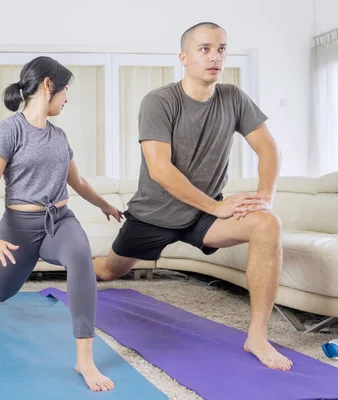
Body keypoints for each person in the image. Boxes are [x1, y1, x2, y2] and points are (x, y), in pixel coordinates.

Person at [93, 22, 294, 371]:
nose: (215, 56)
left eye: (221, 48)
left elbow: (269, 149)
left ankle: (258, 337)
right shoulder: (159, 101)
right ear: (184, 57)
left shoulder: (234, 98)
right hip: (154, 214)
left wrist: (265, 198)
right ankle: (72, 262)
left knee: (267, 225)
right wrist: (217, 205)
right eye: (205, 49)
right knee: (110, 270)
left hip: (203, 216)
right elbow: (160, 168)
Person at [0, 56, 123, 392]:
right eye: (65, 89)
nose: (67, 97)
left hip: (59, 220)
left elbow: (78, 181)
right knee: (4, 290)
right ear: (48, 85)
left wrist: (105, 205)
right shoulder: (9, 130)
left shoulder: (59, 136)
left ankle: (84, 359)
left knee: (80, 256)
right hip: (19, 227)